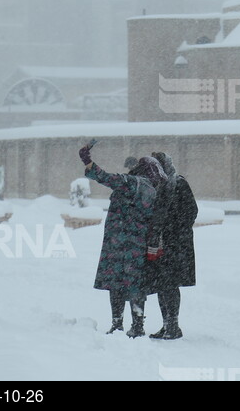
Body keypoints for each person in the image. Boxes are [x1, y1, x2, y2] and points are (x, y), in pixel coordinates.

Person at [79, 143, 167, 338]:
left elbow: (106, 178)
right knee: (135, 284)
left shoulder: (132, 182)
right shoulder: (151, 190)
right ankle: (137, 325)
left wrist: (88, 162)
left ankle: (117, 324)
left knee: (116, 282)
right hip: (138, 243)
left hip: (119, 242)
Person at [145, 152, 198, 340]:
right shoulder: (155, 185)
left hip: (176, 244)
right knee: (162, 284)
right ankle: (167, 324)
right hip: (160, 243)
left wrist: (173, 228)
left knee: (170, 284)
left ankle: (173, 325)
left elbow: (191, 211)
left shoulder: (178, 183)